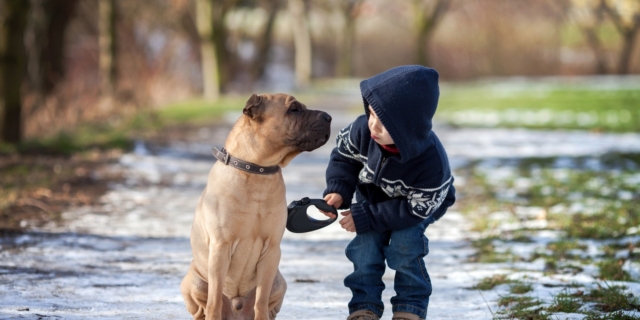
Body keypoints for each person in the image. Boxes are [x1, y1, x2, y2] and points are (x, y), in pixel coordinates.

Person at [322, 65, 456, 320]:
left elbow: (416, 209)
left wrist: (368, 217)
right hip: (373, 197)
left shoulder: (432, 163)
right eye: (371, 113)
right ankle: (365, 307)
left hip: (416, 205)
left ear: (408, 126)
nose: (373, 124)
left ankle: (409, 307)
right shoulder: (361, 131)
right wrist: (339, 189)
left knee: (405, 246)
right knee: (365, 248)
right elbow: (343, 158)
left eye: (384, 121)